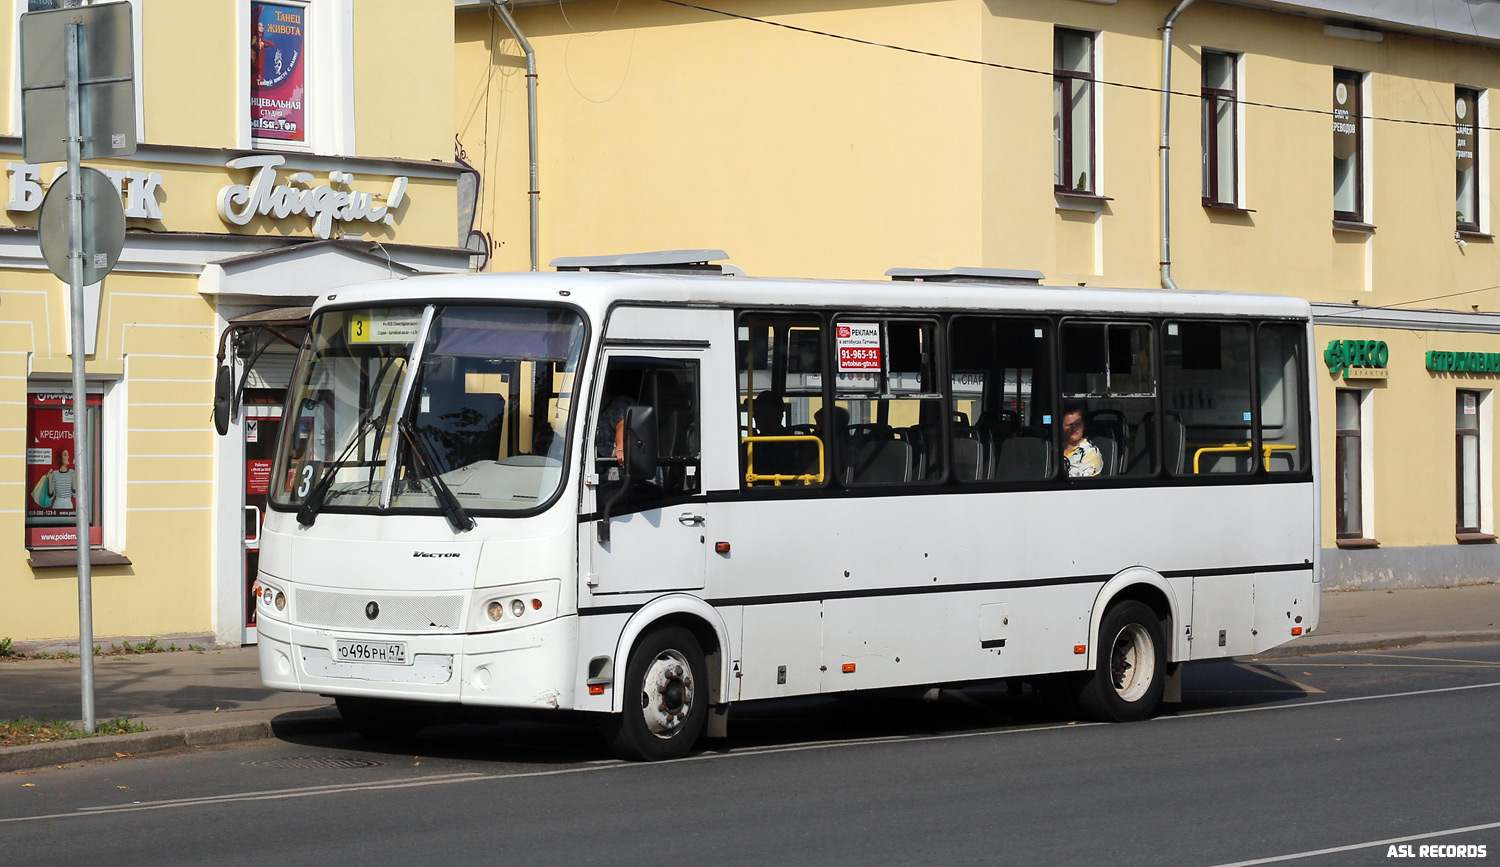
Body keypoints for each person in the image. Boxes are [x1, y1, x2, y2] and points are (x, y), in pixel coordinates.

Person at [1061, 406, 1102, 478]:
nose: (1074, 428)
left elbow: (1083, 486)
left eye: (1078, 424)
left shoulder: (1091, 453)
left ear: (1084, 426)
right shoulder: (1055, 448)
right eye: (1069, 425)